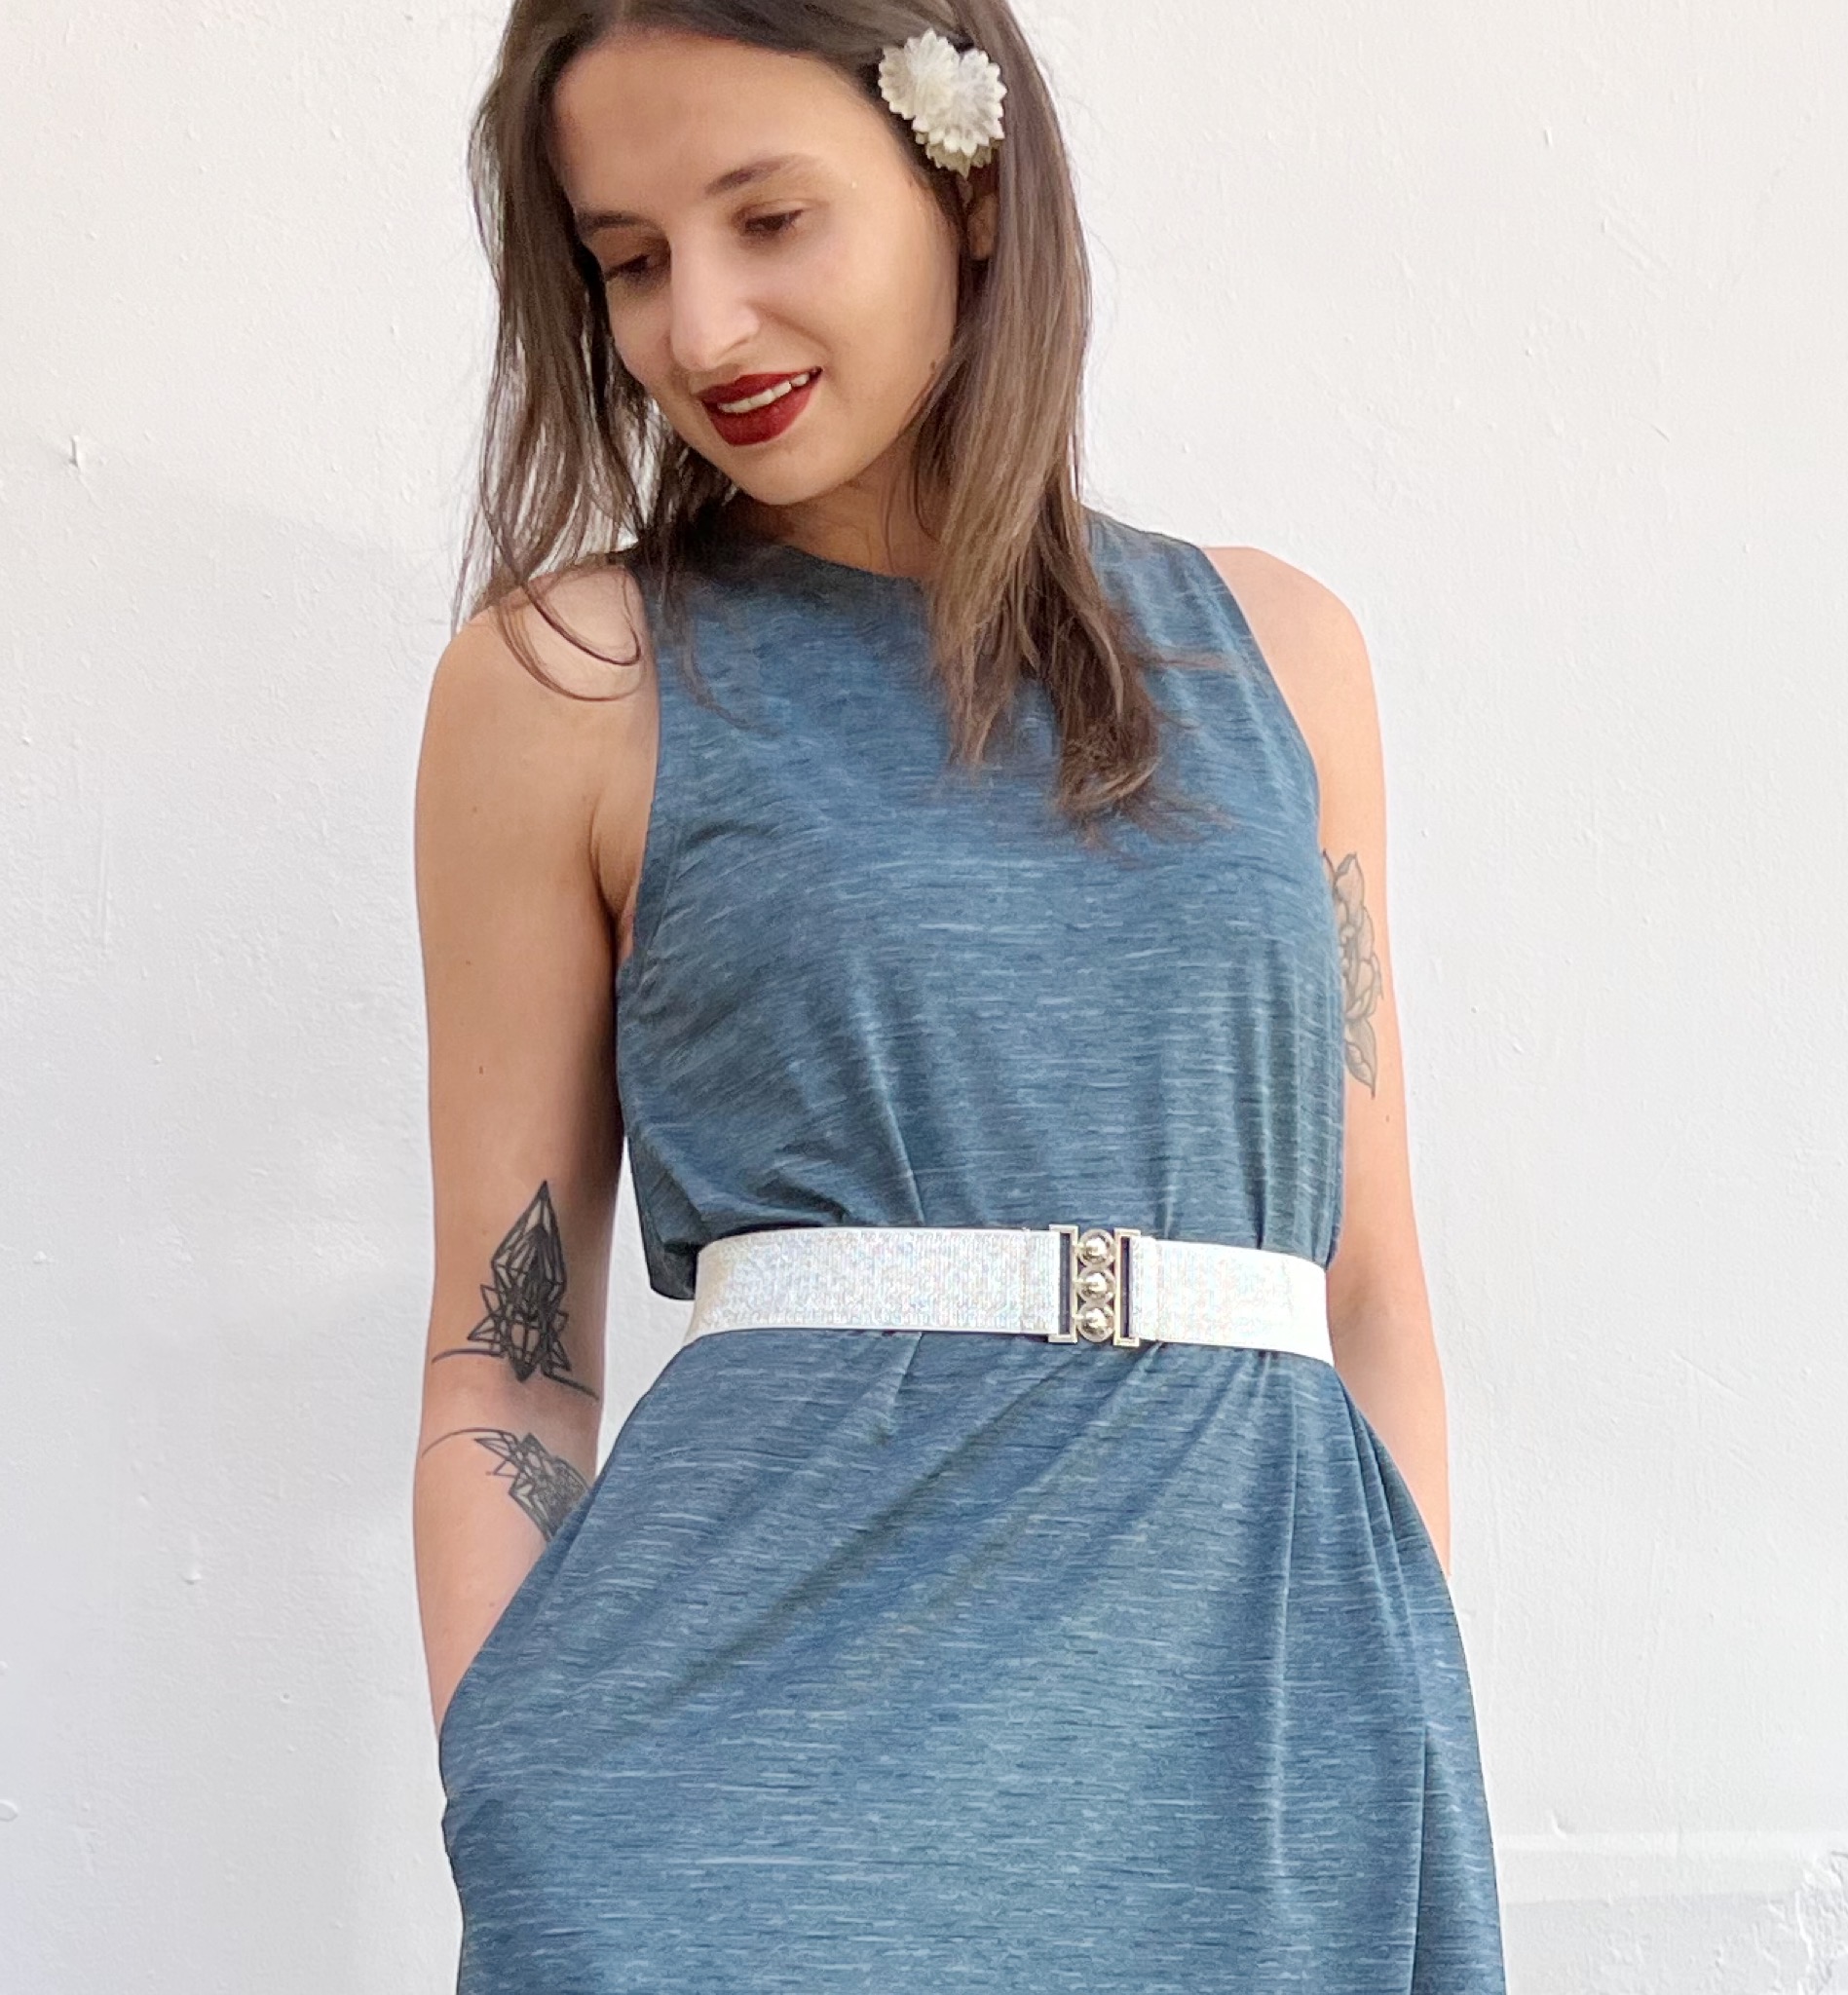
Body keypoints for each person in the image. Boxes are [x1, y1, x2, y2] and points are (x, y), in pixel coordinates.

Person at [410, 4, 1507, 1989]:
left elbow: (1366, 1295)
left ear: (971, 186)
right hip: (736, 1807)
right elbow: (506, 1358)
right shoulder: (572, 678)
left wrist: (1390, 1699)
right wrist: (517, 1798)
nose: (701, 328)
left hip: (1256, 1740)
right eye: (630, 260)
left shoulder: (1281, 654)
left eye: (769, 219)